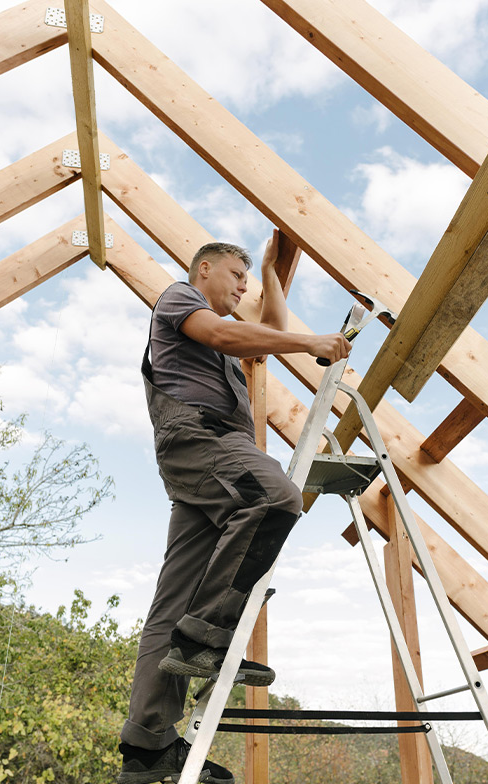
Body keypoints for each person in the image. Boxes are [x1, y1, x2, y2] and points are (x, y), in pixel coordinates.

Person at [117, 230, 352, 784]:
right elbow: (227, 334)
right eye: (235, 276)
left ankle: (148, 747)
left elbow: (266, 334)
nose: (242, 287)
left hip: (202, 464)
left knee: (170, 606)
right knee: (275, 499)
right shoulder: (179, 298)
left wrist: (272, 273)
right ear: (203, 271)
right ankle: (206, 639)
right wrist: (313, 342)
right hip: (203, 438)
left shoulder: (227, 329)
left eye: (248, 280)